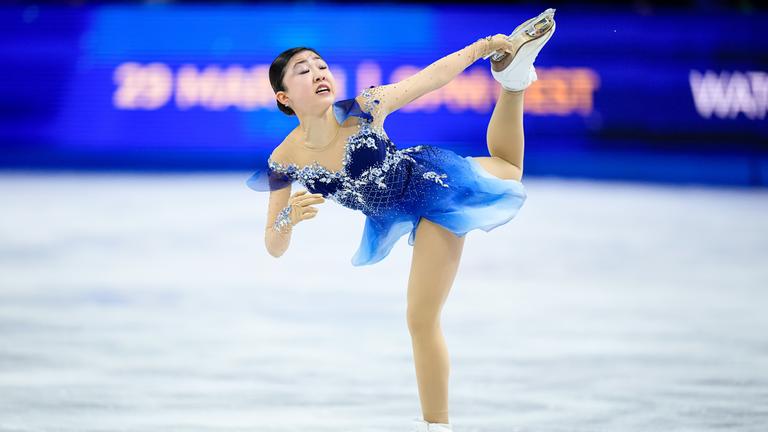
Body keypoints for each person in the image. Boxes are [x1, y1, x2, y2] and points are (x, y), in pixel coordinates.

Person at [246, 8, 556, 432]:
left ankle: (436, 426)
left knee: (421, 316)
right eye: (303, 71)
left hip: (432, 187)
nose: (318, 73)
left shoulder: (364, 108)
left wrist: (482, 48)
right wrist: (287, 220)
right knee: (507, 169)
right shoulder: (283, 160)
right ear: (284, 97)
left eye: (321, 66)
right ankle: (514, 81)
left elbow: (430, 79)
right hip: (395, 211)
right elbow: (273, 245)